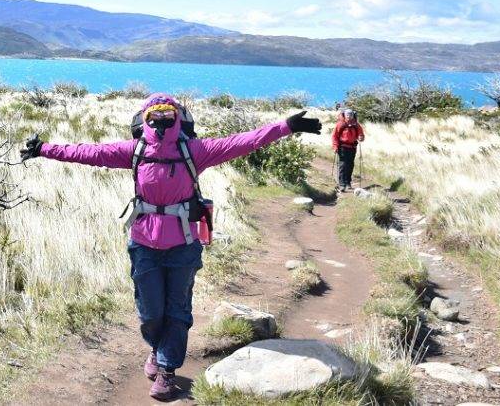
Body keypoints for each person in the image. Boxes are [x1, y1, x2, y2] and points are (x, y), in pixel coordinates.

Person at [20, 94, 321, 401]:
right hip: (143, 245)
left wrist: (287, 126)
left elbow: (244, 141)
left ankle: (166, 370)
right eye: (155, 112)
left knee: (177, 310)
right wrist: (44, 149)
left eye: (168, 112)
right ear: (144, 117)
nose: (162, 118)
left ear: (179, 117)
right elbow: (90, 152)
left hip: (183, 246)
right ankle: (157, 348)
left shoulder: (195, 151)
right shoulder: (135, 151)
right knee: (150, 312)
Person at [332, 108, 365, 192]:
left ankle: (348, 182)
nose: (349, 116)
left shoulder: (356, 125)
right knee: (343, 165)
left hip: (352, 147)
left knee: (350, 165)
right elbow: (334, 136)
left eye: (351, 115)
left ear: (353, 115)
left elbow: (361, 134)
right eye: (347, 114)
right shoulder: (340, 124)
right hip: (342, 147)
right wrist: (335, 146)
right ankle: (342, 184)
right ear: (344, 115)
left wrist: (361, 138)